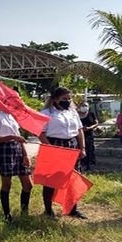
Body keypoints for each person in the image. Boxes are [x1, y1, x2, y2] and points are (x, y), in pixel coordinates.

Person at [39, 88, 88, 220]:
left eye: (68, 99)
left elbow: (79, 130)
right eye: (64, 99)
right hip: (54, 145)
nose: (67, 101)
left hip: (72, 145)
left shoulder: (72, 112)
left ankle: (72, 209)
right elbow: (40, 133)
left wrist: (82, 148)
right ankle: (48, 211)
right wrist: (51, 149)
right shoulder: (46, 113)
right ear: (55, 99)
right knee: (51, 180)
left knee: (72, 178)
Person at [0, 110, 32, 222]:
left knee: (28, 184)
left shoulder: (13, 116)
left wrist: (25, 155)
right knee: (7, 184)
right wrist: (11, 137)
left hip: (18, 149)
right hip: (5, 150)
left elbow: (19, 137)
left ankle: (24, 212)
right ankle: (7, 214)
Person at [78, 102, 98, 171]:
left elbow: (96, 123)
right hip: (79, 135)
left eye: (86, 106)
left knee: (89, 149)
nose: (84, 107)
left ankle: (89, 165)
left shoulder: (91, 114)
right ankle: (81, 164)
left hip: (89, 134)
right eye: (82, 105)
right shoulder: (76, 115)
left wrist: (90, 127)